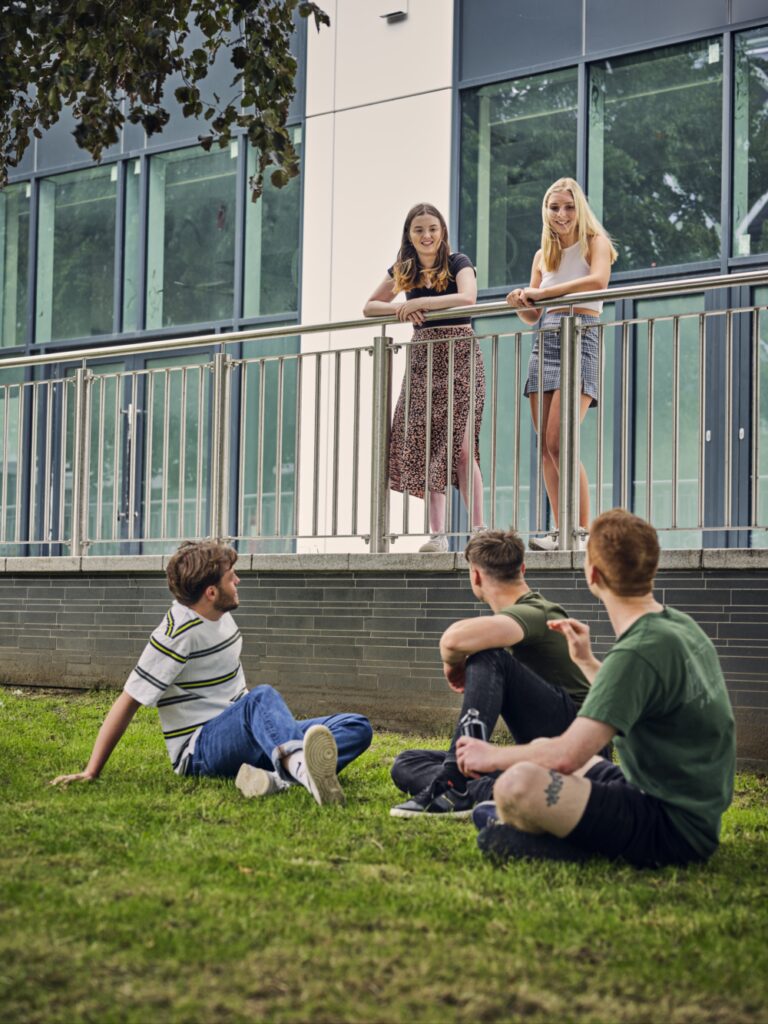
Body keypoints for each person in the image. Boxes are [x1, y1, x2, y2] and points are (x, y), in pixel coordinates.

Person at [458, 510, 736, 868]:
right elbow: (633, 691)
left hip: (671, 826)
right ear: (652, 567)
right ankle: (544, 821)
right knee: (539, 747)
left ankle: (563, 834)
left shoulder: (638, 650)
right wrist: (587, 662)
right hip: (667, 797)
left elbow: (566, 757)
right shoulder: (678, 627)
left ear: (593, 575)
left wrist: (489, 756)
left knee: (517, 785)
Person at [50, 541, 373, 805]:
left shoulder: (219, 614)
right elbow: (128, 700)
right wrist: (91, 771)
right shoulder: (176, 634)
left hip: (242, 734)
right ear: (211, 592)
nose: (238, 581)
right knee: (261, 699)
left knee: (354, 726)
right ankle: (302, 769)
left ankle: (277, 778)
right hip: (201, 750)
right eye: (231, 576)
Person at [390, 528, 599, 818]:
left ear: (475, 575)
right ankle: (495, 790)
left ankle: (454, 783)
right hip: (542, 752)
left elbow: (453, 640)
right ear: (522, 569)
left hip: (578, 746)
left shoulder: (538, 612)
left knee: (488, 655)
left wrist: (453, 667)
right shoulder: (520, 615)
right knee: (407, 763)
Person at [364, 202, 485, 552]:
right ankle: (438, 535)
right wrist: (401, 308)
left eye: (432, 228)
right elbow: (370, 306)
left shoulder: (458, 262)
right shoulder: (405, 268)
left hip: (460, 353)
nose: (427, 235)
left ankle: (479, 530)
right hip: (425, 357)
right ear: (410, 235)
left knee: (462, 447)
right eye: (419, 230)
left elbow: (468, 299)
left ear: (442, 232)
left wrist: (424, 305)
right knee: (430, 443)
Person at [506, 178, 618, 551]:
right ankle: (561, 530)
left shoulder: (595, 243)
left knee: (561, 441)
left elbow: (598, 283)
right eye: (554, 207)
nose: (562, 214)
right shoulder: (544, 255)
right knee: (546, 448)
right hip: (548, 337)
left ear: (579, 208)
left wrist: (544, 293)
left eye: (568, 207)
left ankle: (582, 532)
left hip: (581, 332)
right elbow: (534, 313)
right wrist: (522, 301)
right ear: (546, 211)